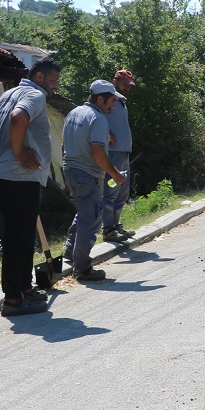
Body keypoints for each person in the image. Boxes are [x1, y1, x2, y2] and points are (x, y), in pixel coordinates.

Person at [0, 57, 60, 316]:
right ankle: (14, 300)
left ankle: (23, 289)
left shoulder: (7, 96)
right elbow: (18, 119)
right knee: (19, 239)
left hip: (2, 174)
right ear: (39, 77)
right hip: (18, 176)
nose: (55, 86)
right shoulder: (34, 95)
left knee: (19, 237)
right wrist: (19, 154)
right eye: (53, 80)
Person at [62, 80, 126, 281]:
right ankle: (82, 268)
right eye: (111, 101)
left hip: (70, 171)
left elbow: (64, 145)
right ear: (100, 99)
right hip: (88, 174)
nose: (113, 106)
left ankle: (70, 251)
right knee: (91, 220)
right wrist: (115, 174)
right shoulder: (98, 118)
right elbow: (97, 151)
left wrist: (66, 171)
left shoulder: (74, 113)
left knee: (83, 212)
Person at [101, 69, 136, 243]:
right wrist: (106, 133)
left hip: (123, 152)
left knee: (123, 190)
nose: (128, 88)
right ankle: (107, 229)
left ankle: (116, 224)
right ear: (115, 81)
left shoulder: (121, 101)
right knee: (111, 189)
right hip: (113, 153)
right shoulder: (108, 99)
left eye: (130, 85)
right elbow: (98, 117)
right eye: (125, 84)